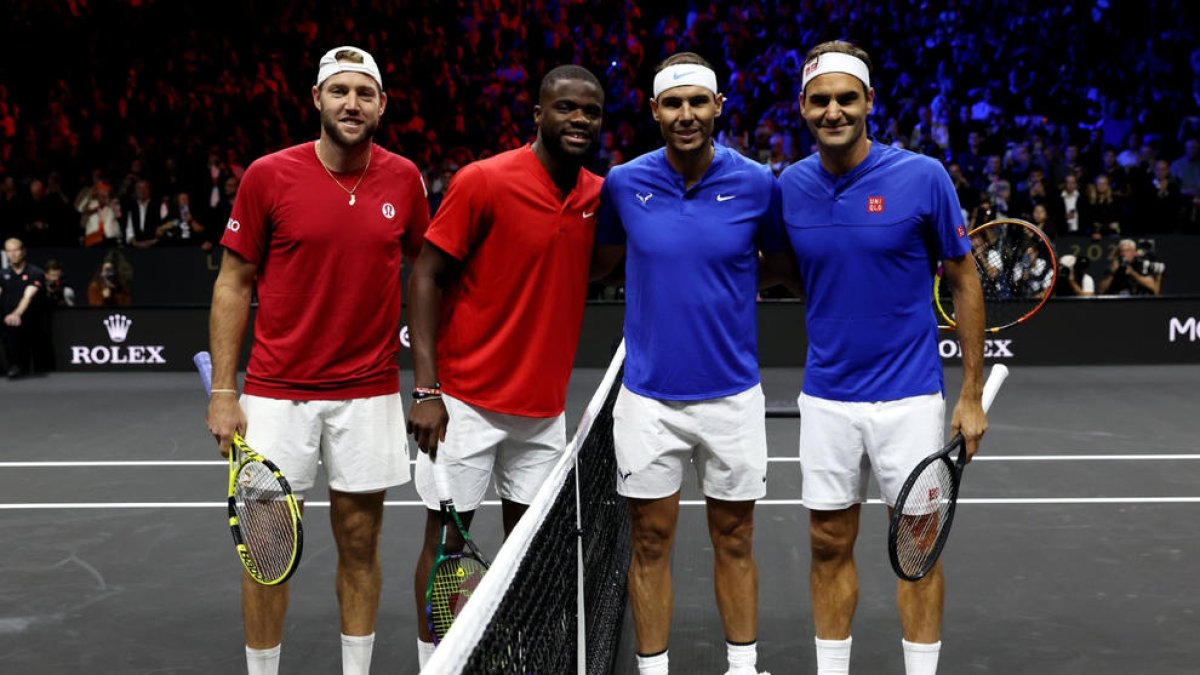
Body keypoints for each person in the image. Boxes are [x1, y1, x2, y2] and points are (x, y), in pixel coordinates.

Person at [205, 46, 429, 675]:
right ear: (316, 99)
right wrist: (226, 391)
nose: (351, 103)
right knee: (265, 551)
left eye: (364, 93)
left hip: (369, 392)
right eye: (339, 91)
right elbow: (233, 282)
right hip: (276, 396)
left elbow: (427, 273)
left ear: (381, 104)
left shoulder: (404, 179)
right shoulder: (267, 175)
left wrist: (433, 382)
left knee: (361, 545)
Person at [776, 41, 986, 675]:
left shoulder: (923, 177)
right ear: (803, 108)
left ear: (869, 102)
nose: (833, 110)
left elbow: (965, 277)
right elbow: (785, 271)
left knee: (917, 549)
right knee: (825, 543)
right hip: (827, 401)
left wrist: (970, 393)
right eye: (820, 100)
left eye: (846, 98)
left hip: (911, 400)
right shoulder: (789, 186)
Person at [405, 64, 604, 670]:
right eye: (565, 108)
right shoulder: (483, 181)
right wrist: (426, 389)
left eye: (591, 112)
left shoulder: (599, 194)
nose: (579, 120)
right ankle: (434, 662)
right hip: (463, 404)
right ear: (538, 114)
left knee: (533, 555)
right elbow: (425, 274)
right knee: (446, 548)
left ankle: (523, 658)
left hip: (542, 414)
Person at [592, 52, 783, 675]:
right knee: (649, 543)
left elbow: (787, 267)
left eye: (698, 102)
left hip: (732, 399)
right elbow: (596, 264)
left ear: (718, 107)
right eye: (673, 104)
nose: (686, 115)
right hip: (647, 401)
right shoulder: (623, 183)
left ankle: (743, 667)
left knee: (736, 539)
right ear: (654, 111)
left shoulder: (759, 183)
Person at [1, 237, 46, 378]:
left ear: (23, 251)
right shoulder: (2, 274)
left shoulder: (35, 272)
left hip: (29, 318)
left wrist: (17, 314)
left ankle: (18, 366)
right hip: (7, 317)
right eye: (9, 251)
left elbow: (28, 296)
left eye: (16, 250)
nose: (13, 254)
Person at [1097, 238, 1164, 296]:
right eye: (1121, 251)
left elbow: (1152, 286)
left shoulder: (1141, 264)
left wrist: (1132, 273)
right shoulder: (1114, 266)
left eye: (1127, 251)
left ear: (1134, 252)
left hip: (1138, 301)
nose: (1123, 254)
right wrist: (1112, 273)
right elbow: (1101, 290)